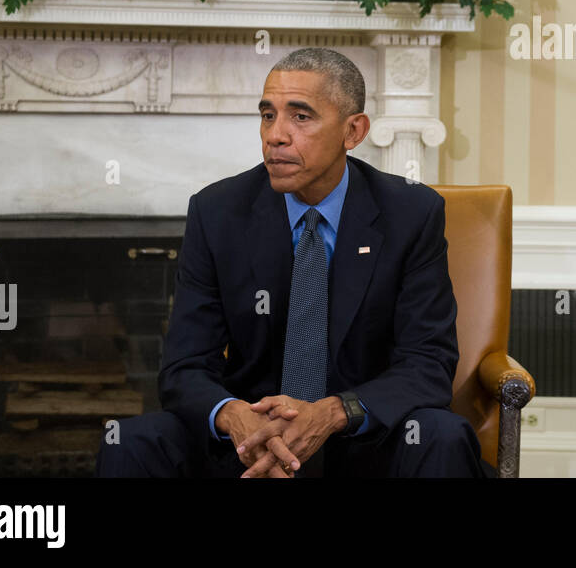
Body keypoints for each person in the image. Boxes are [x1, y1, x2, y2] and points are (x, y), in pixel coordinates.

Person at [97, 48, 486, 477]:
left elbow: (427, 362)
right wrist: (234, 418)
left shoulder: (410, 213)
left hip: (361, 441)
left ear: (353, 131)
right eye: (268, 115)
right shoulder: (218, 211)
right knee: (133, 442)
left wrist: (334, 413)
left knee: (441, 435)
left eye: (300, 117)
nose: (275, 135)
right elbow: (184, 366)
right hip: (248, 443)